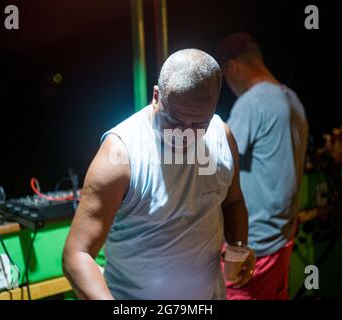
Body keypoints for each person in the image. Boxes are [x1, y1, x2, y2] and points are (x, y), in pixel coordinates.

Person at [63, 49, 255, 300]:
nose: (185, 133)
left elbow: (233, 202)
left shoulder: (222, 136)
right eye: (174, 119)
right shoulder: (121, 154)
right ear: (156, 96)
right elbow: (76, 255)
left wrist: (238, 244)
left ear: (214, 106)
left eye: (199, 124)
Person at [216, 33, 309, 300]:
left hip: (251, 244)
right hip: (282, 239)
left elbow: (216, 164)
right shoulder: (292, 99)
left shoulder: (252, 103)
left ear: (232, 66)